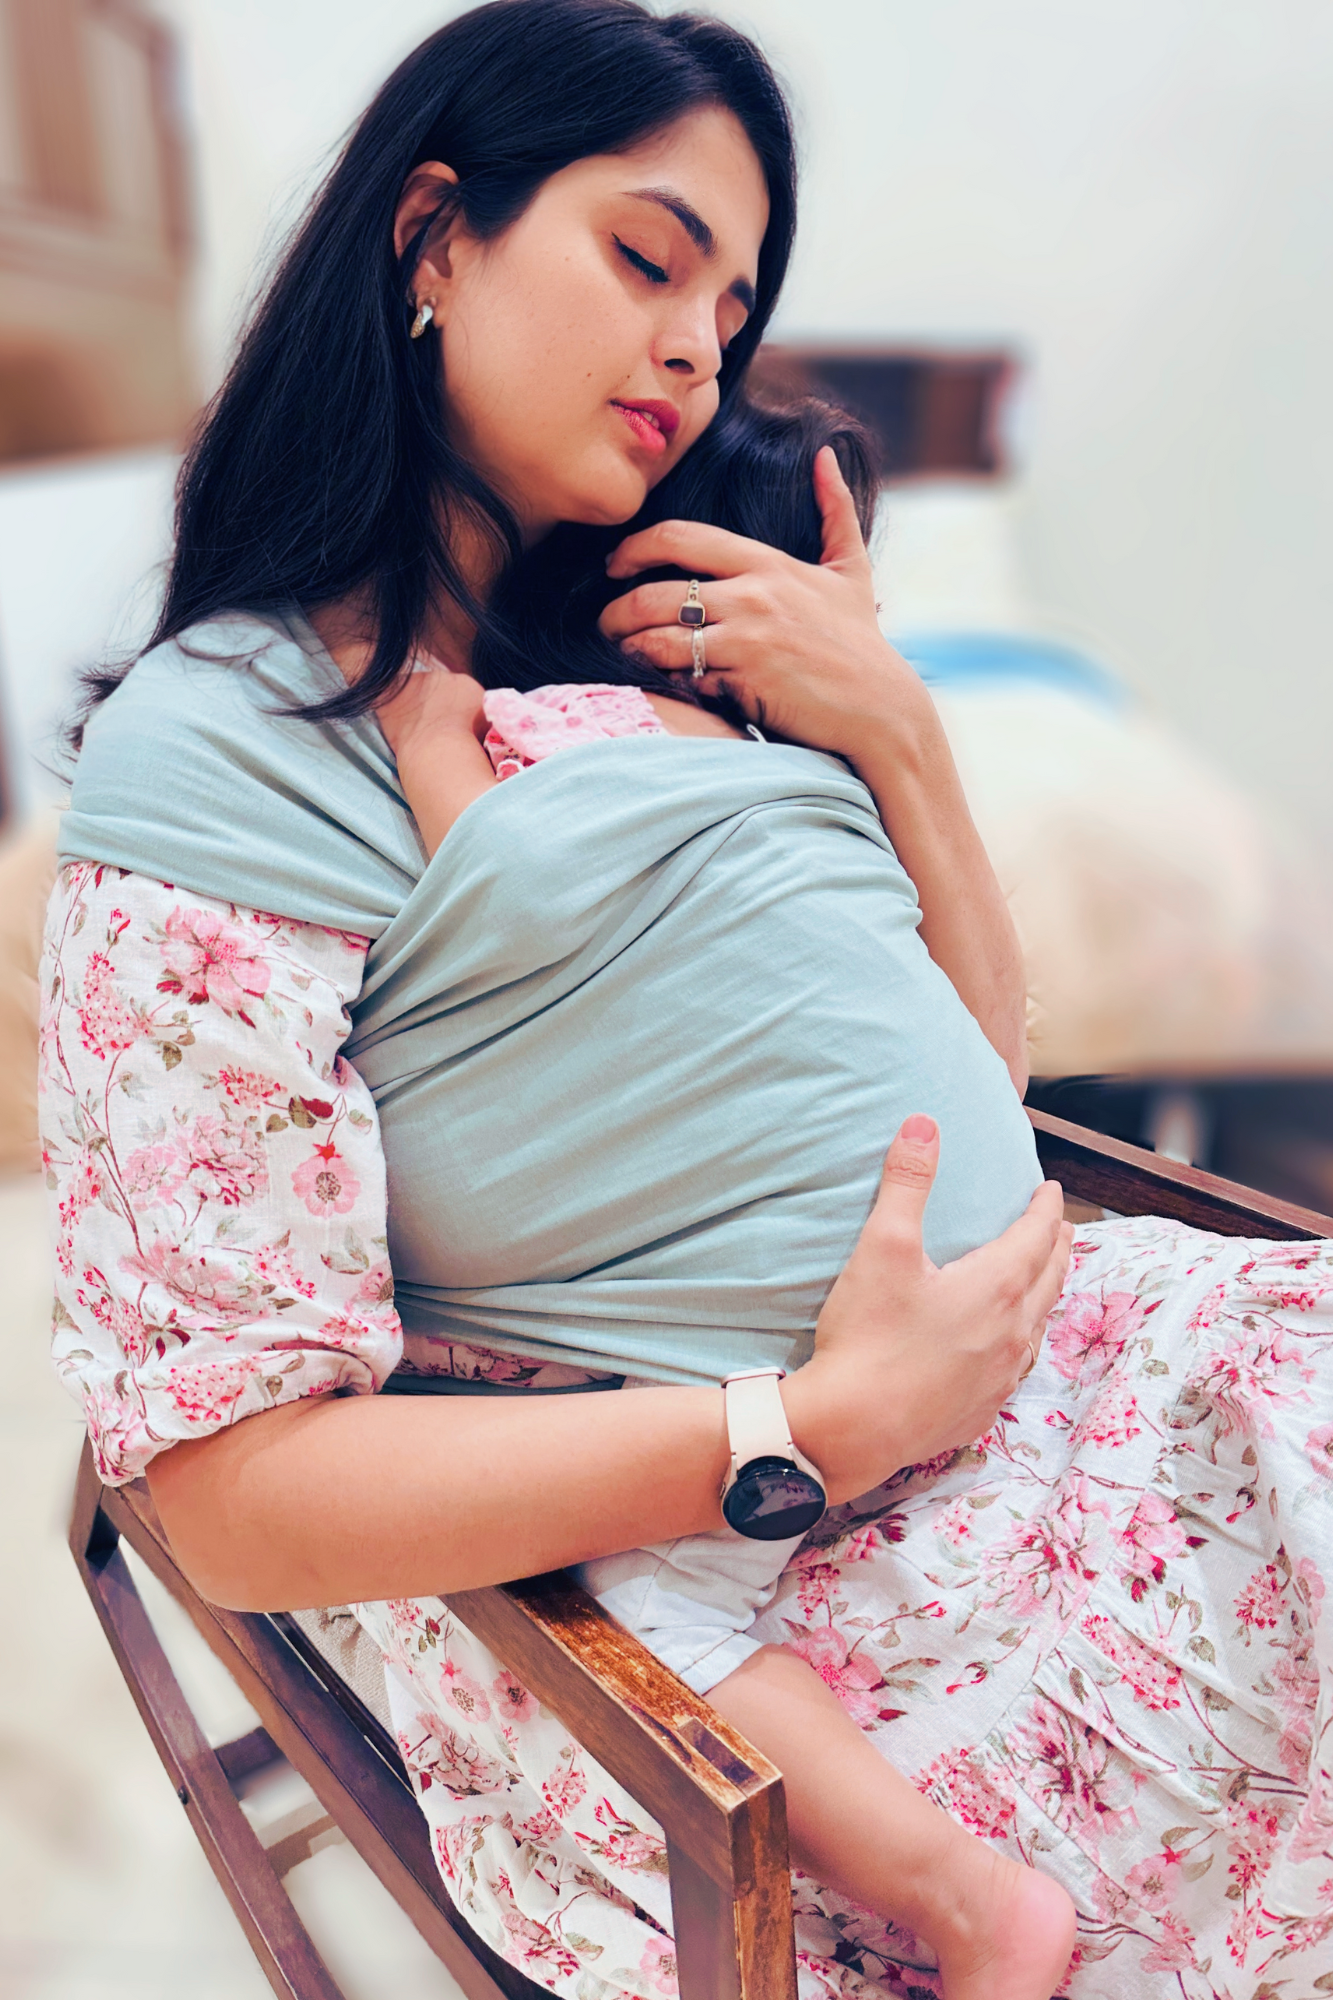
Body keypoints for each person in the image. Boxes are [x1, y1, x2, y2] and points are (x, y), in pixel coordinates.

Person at [39, 5, 1333, 1997]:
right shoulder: (239, 750)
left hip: (1064, 1353)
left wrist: (900, 735)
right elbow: (226, 1481)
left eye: (729, 315)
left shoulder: (664, 663)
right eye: (647, 260)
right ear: (434, 238)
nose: (691, 351)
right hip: (754, 1513)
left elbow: (935, 1079)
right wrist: (798, 1422)